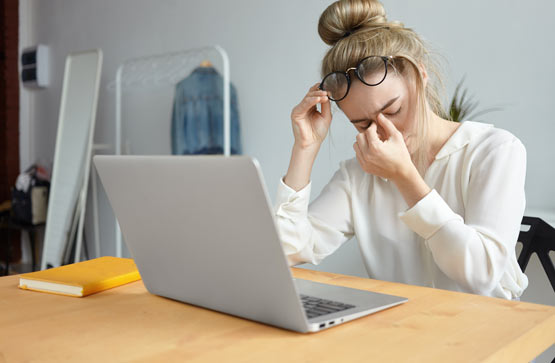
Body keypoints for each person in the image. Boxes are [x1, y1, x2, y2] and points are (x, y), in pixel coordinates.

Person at [274, 0, 528, 300]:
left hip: (484, 336)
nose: (383, 132)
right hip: (401, 333)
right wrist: (305, 148)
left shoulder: (493, 151)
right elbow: (284, 252)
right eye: (362, 124)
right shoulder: (359, 175)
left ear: (420, 74)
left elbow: (481, 275)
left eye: (393, 110)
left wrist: (405, 177)